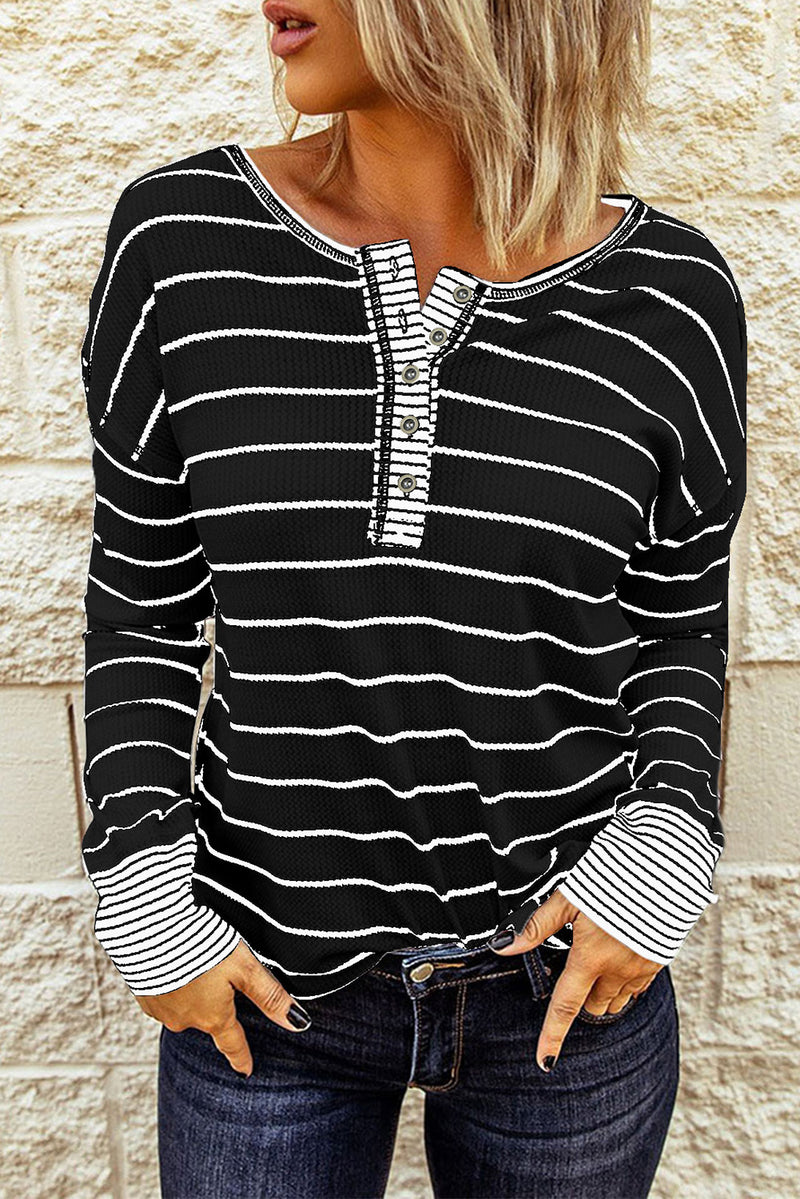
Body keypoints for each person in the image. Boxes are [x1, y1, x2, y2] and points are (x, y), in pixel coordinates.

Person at [78, 0, 747, 1195]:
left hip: (565, 993)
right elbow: (141, 601)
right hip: (264, 994)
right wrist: (142, 888)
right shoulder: (181, 239)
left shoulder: (672, 295)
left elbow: (677, 618)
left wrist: (660, 848)